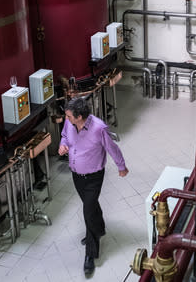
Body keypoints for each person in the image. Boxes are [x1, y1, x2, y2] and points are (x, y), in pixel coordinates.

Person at [59, 97, 128, 276]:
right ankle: (99, 228)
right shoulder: (69, 123)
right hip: (77, 175)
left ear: (79, 116)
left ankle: (90, 254)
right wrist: (63, 145)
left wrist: (121, 166)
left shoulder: (99, 128)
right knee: (90, 205)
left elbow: (112, 148)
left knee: (87, 210)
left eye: (69, 117)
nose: (66, 119)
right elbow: (65, 136)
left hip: (93, 177)